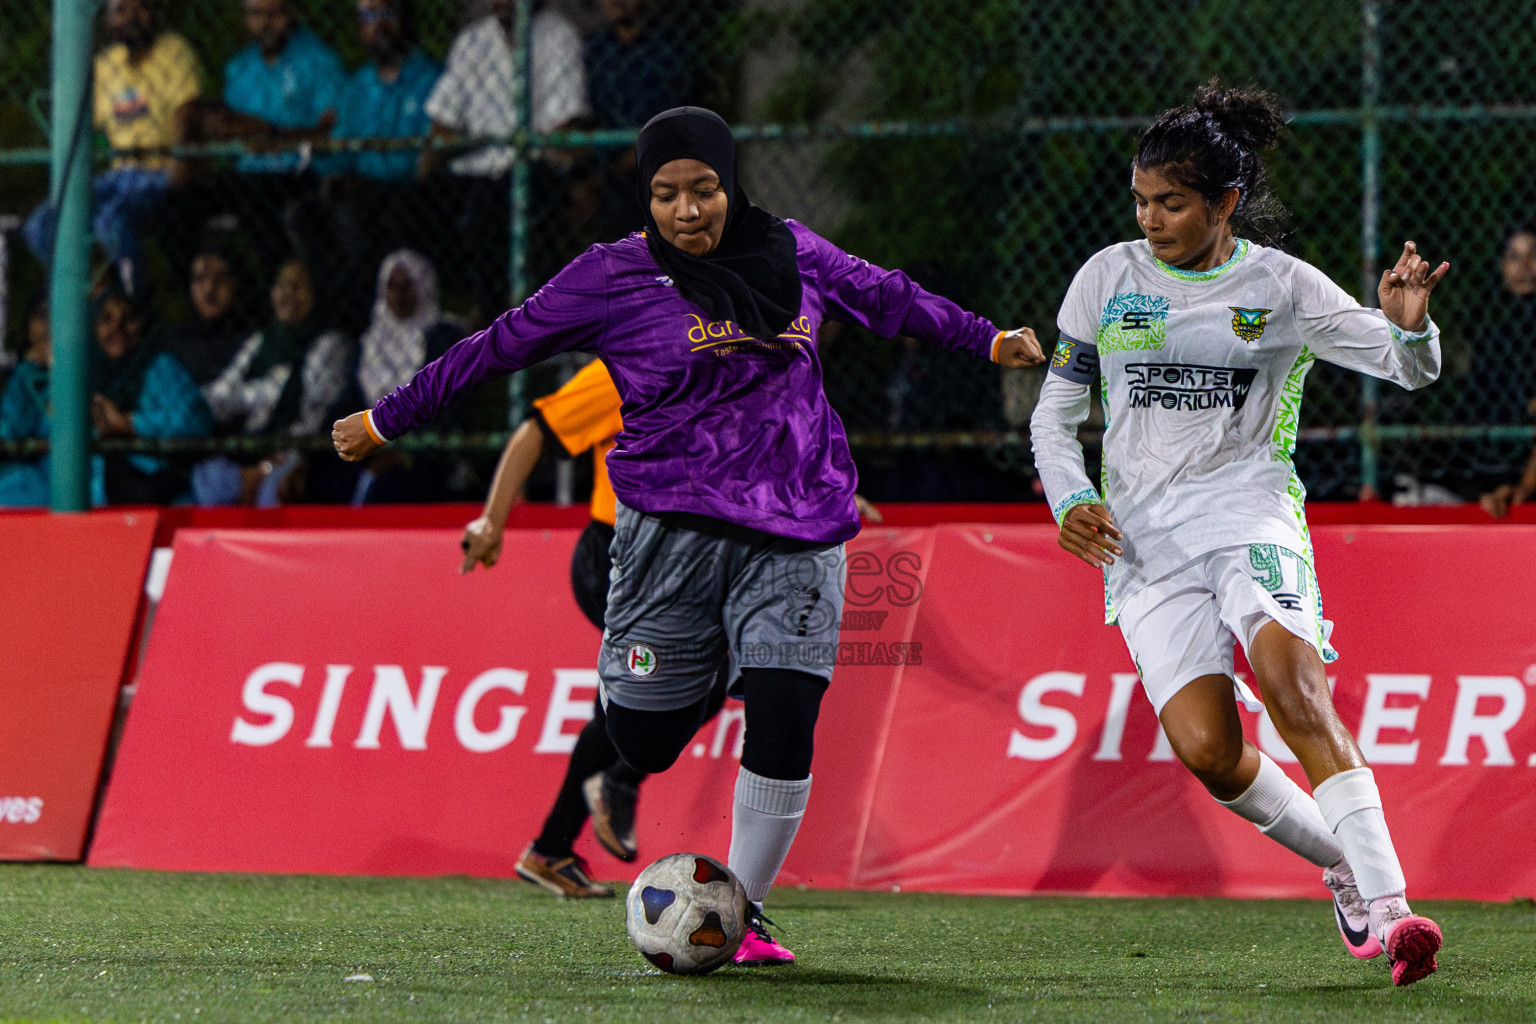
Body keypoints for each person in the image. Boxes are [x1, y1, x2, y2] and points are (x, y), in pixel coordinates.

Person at [335, 106, 1042, 964]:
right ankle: (619, 760)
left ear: (728, 183)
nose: (689, 210)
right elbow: (495, 349)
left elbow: (888, 297)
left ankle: (743, 922)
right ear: (646, 200)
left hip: (799, 523)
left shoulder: (792, 251)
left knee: (787, 711)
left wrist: (988, 337)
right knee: (650, 737)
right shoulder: (610, 277)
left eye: (704, 188)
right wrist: (387, 418)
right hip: (671, 534)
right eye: (667, 195)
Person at [1029, 84, 1449, 987]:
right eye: (1141, 200)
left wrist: (1412, 330)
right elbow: (1053, 422)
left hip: (1249, 509)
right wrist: (1070, 502)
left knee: (1296, 685)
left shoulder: (1281, 285)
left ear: (1223, 203)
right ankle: (1340, 865)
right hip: (1141, 541)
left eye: (1171, 203)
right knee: (1209, 752)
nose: (1151, 219)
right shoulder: (1107, 279)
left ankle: (1393, 909)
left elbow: (1402, 366)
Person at [420, 0, 590, 321]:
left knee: (495, 202)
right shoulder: (472, 40)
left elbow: (564, 126)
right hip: (475, 169)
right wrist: (430, 161)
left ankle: (495, 315)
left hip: (533, 168)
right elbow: (443, 120)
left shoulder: (559, 35)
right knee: (412, 201)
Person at [22, 0, 203, 295]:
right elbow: (77, 132)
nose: (131, 17)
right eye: (120, 10)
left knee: (110, 223)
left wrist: (180, 169)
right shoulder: (105, 65)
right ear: (106, 20)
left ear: (156, 11)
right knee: (39, 225)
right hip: (119, 174)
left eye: (141, 7)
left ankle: (133, 299)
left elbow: (189, 113)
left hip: (159, 170)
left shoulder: (174, 51)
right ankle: (93, 296)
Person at [327, 0, 443, 327]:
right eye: (367, 16)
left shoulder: (431, 78)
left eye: (387, 13)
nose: (378, 25)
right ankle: (340, 326)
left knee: (382, 209)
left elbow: (423, 158)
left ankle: (372, 320)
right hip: (362, 188)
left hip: (411, 190)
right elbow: (340, 152)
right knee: (308, 213)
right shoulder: (356, 86)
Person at [202, 258, 352, 504]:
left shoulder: (331, 344)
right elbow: (224, 391)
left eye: (298, 286)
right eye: (282, 285)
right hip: (252, 443)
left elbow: (315, 416)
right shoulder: (263, 341)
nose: (288, 293)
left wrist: (266, 465)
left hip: (296, 449)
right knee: (206, 476)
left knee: (274, 489)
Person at [162, 243, 257, 389]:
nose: (209, 289)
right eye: (199, 279)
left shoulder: (253, 339)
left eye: (220, 279)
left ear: (235, 284)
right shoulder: (176, 340)